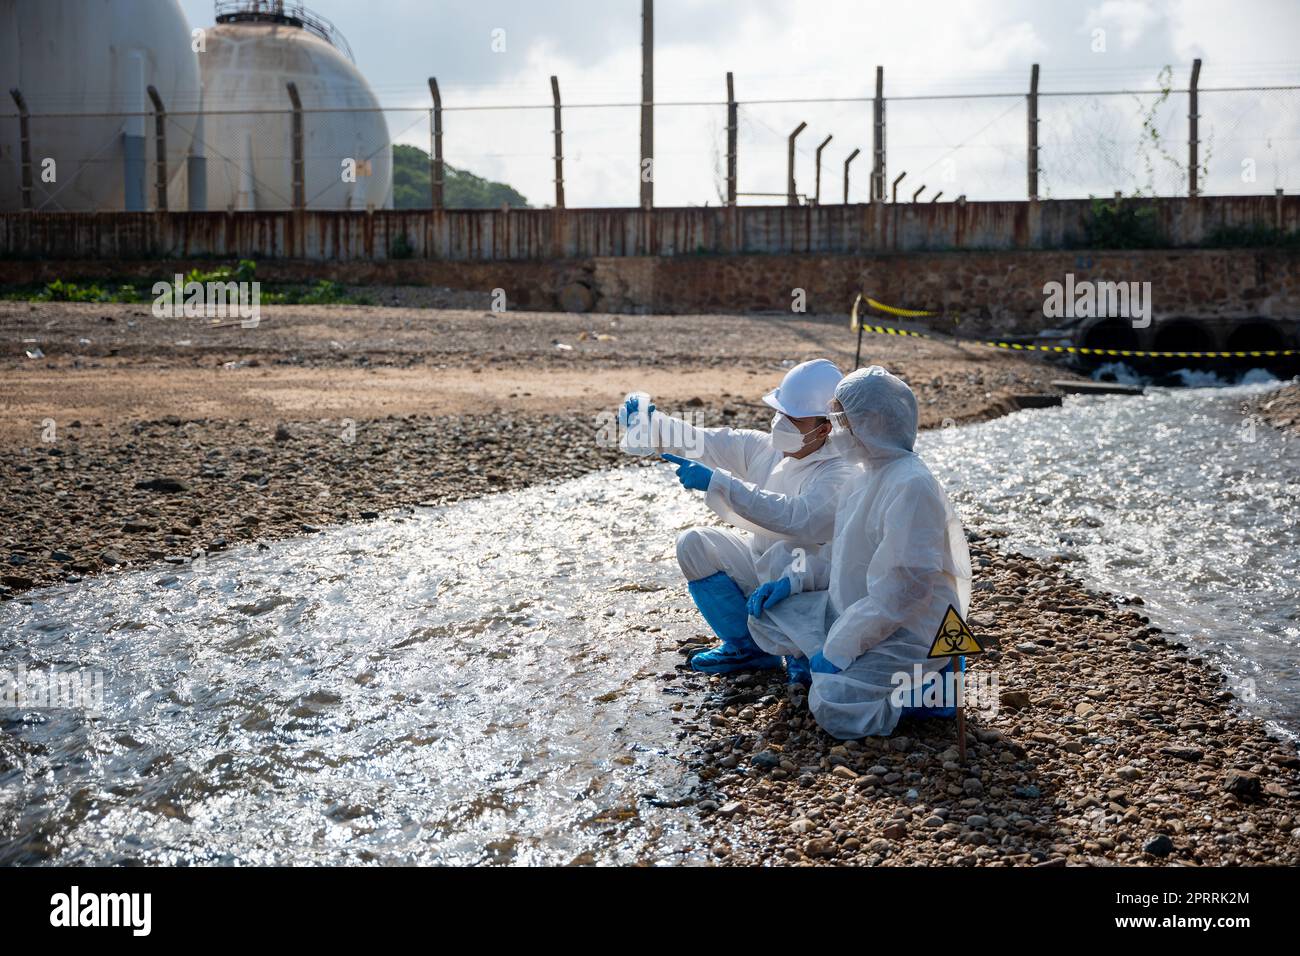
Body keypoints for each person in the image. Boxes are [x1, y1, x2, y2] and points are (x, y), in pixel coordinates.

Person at [744, 366, 973, 739]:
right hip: (857, 609)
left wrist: (839, 648)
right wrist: (793, 581)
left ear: (873, 421)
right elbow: (838, 554)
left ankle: (931, 692)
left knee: (831, 705)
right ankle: (838, 665)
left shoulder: (911, 485)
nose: (835, 430)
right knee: (768, 615)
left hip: (909, 628)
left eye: (842, 419)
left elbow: (903, 594)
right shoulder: (864, 473)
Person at [620, 359, 854, 680]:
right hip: (767, 572)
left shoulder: (839, 471)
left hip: (806, 586)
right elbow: (706, 441)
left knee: (810, 677)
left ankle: (801, 649)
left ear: (824, 427)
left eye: (793, 419)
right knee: (695, 545)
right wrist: (650, 423)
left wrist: (722, 484)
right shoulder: (765, 449)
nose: (780, 424)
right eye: (780, 413)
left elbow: (797, 517)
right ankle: (748, 650)